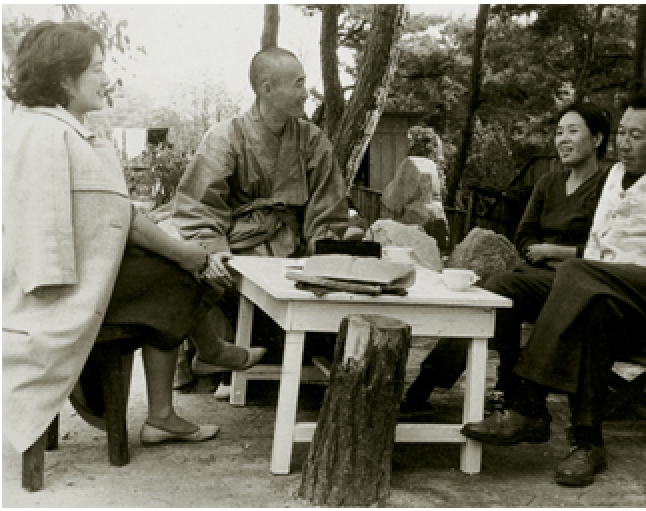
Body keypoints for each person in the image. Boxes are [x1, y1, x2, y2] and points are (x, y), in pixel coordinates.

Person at [2, 21, 246, 453]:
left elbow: (108, 215)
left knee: (175, 269)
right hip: (55, 290)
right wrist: (186, 254)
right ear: (63, 77)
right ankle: (178, 394)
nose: (105, 78)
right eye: (96, 68)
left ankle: (179, 391)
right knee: (181, 275)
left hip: (67, 276)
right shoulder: (47, 133)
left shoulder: (53, 128)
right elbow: (108, 221)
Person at [460, 87, 646, 487]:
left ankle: (528, 403)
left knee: (581, 273)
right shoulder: (614, 175)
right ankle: (587, 443)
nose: (625, 143)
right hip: (612, 297)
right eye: (623, 133)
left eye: (638, 136)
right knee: (509, 288)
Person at [401, 102, 612, 420]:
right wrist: (536, 251)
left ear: (597, 139)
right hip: (535, 275)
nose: (563, 139)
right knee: (484, 294)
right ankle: (480, 384)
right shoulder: (548, 183)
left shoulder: (610, 186)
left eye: (573, 131)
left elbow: (609, 246)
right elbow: (524, 235)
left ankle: (466, 384)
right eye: (558, 132)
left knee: (500, 288)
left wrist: (558, 253)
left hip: (576, 282)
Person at [155, 47, 350, 386]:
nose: (306, 93)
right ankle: (214, 353)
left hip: (295, 250)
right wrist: (212, 249)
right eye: (299, 84)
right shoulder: (225, 137)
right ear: (266, 87)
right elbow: (200, 205)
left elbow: (326, 207)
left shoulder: (313, 140)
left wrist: (326, 253)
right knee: (198, 268)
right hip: (237, 244)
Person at [381, 126, 450, 251]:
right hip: (429, 223)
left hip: (415, 228)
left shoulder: (413, 165)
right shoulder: (430, 170)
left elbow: (392, 201)